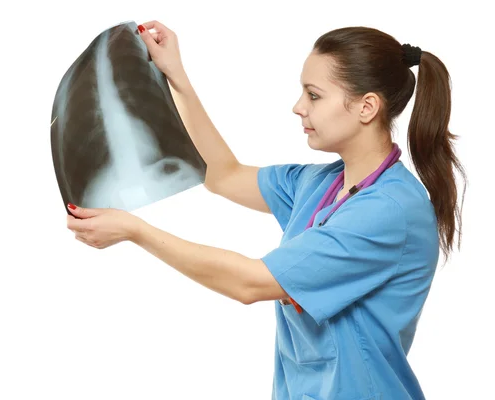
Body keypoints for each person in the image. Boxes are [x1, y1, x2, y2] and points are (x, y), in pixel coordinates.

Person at [66, 20, 467, 400]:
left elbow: (250, 283)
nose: (298, 107)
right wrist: (176, 77)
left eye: (314, 95)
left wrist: (137, 231)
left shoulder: (390, 210)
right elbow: (223, 175)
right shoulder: (318, 184)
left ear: (366, 107)